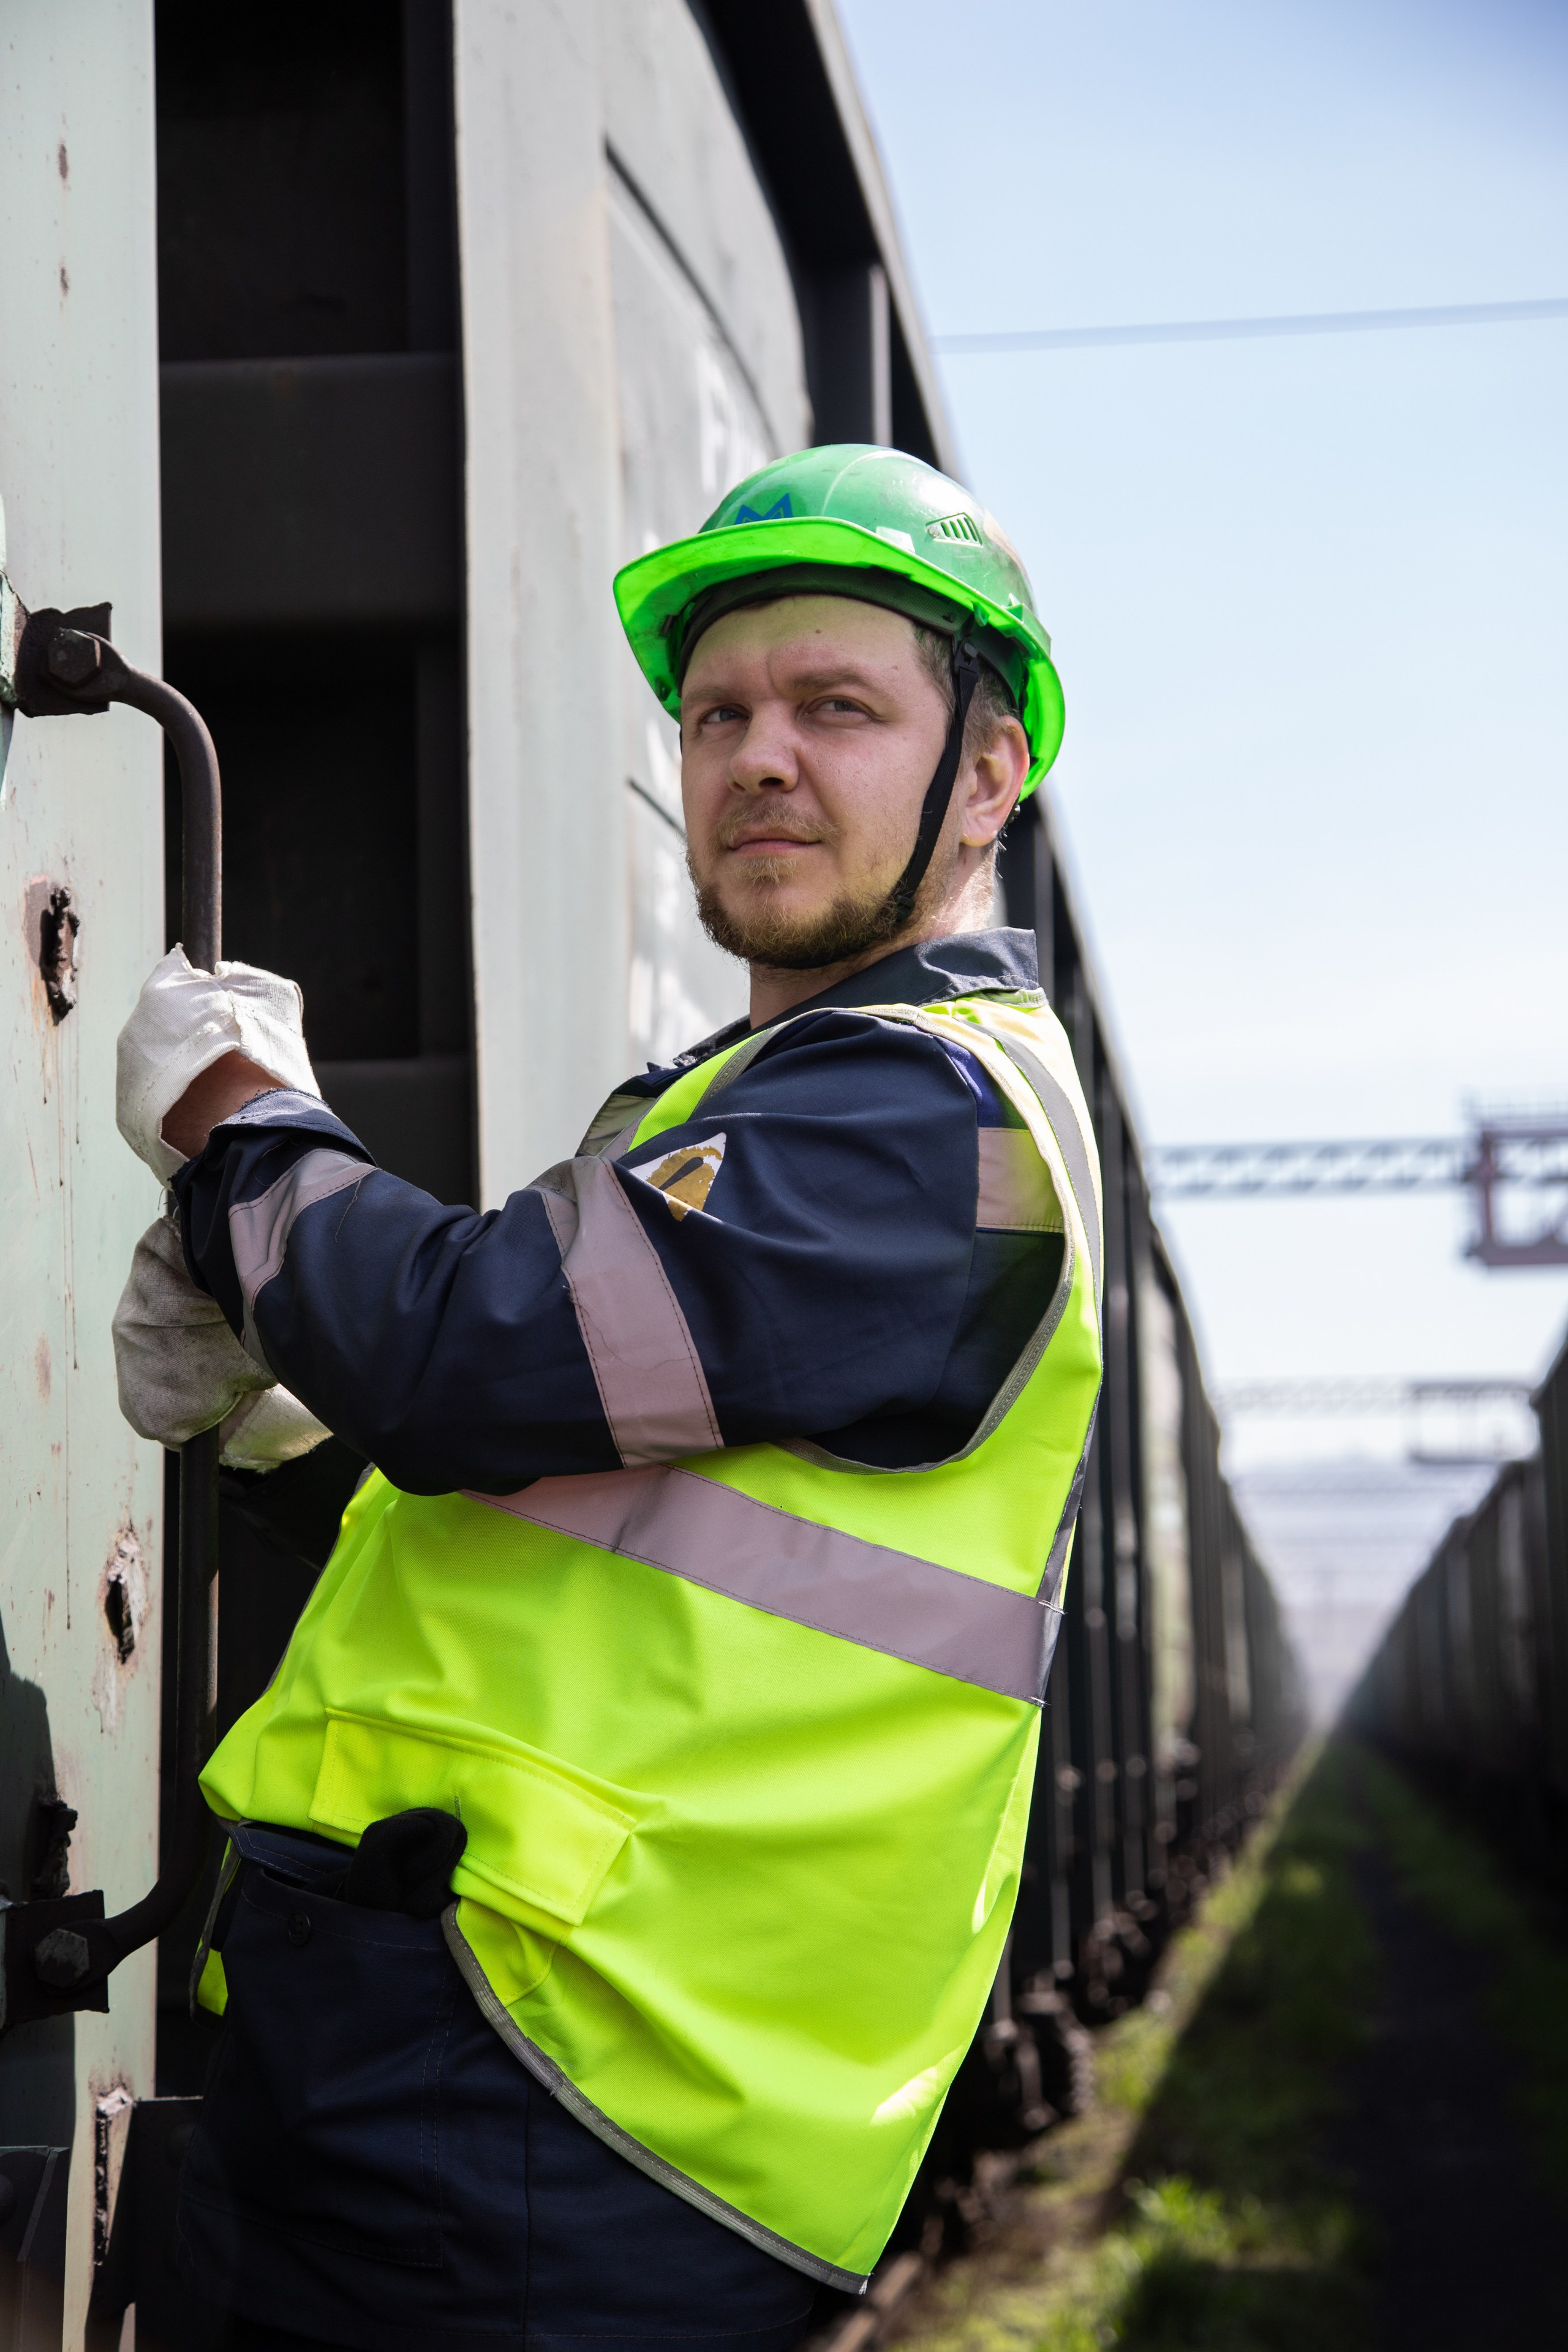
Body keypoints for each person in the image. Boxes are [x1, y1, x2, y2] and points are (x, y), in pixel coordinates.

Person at [113, 444, 1103, 2352]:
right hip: (479, 2064)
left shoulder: (938, 1124)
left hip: (567, 2118)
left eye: (836, 708)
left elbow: (466, 1356)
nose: (759, 758)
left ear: (990, 773)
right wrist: (281, 1421)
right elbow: (593, 1515)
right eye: (719, 713)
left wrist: (240, 1122)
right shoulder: (761, 1099)